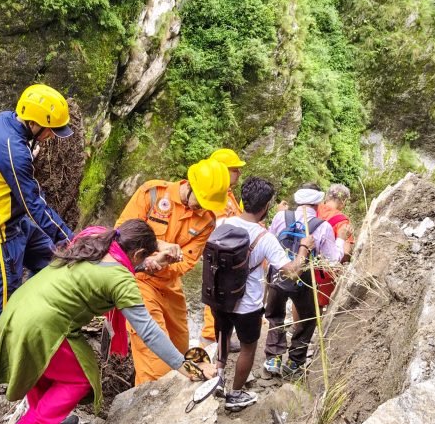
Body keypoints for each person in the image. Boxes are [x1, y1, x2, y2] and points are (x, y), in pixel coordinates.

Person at [0, 220, 218, 424]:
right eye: (142, 257)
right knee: (80, 379)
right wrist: (184, 366)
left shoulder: (94, 237)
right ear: (137, 253)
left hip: (19, 309)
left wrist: (148, 263)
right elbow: (148, 330)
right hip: (43, 324)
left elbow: (110, 270)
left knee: (43, 370)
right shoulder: (120, 280)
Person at [0, 84, 75, 331]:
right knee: (5, 297)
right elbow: (34, 203)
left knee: (51, 260)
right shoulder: (14, 151)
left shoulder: (3, 120)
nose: (53, 136)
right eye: (51, 130)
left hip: (10, 217)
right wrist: (69, 237)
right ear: (35, 123)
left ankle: (35, 315)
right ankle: (1, 358)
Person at [115, 158, 230, 384]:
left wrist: (164, 263)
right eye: (201, 200)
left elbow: (187, 261)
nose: (203, 207)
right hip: (137, 281)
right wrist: (153, 253)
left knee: (179, 346)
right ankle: (144, 406)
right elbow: (121, 234)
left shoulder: (207, 221)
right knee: (154, 356)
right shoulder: (153, 194)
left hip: (170, 286)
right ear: (190, 185)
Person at [208, 179, 313, 410]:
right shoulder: (264, 238)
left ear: (243, 200)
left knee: (223, 335)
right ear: (265, 207)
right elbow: (293, 273)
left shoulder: (221, 223)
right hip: (247, 304)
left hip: (220, 297)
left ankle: (218, 378)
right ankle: (235, 395)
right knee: (248, 347)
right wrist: (304, 247)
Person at [262, 183, 343, 376]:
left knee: (275, 315)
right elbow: (333, 259)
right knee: (308, 318)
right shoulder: (322, 226)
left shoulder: (281, 216)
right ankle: (295, 362)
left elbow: (270, 240)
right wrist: (341, 239)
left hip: (278, 272)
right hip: (304, 278)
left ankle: (273, 358)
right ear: (318, 204)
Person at [200, 148, 246, 351]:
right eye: (235, 169)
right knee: (216, 292)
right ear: (224, 171)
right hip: (220, 253)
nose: (239, 173)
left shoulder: (228, 195)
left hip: (227, 253)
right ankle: (212, 336)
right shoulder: (216, 197)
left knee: (223, 293)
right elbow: (218, 227)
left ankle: (221, 336)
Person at [314, 183, 356, 306]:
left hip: (304, 264)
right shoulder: (342, 221)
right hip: (326, 272)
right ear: (343, 201)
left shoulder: (313, 210)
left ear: (327, 197)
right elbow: (346, 252)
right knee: (321, 304)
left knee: (305, 305)